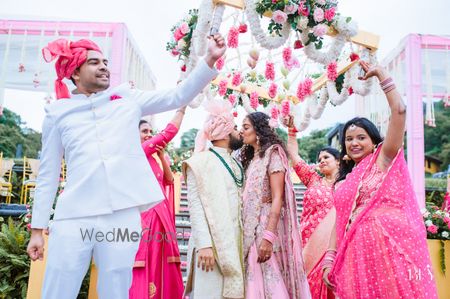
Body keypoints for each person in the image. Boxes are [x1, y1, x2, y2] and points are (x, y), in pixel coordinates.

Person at [26, 35, 225, 299]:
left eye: (105, 62)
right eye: (94, 62)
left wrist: (209, 59)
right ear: (74, 72)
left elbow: (177, 96)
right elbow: (48, 175)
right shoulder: (57, 113)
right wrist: (38, 230)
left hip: (120, 216)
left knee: (116, 290)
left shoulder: (127, 98)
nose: (104, 67)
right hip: (73, 216)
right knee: (58, 288)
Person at [323, 61, 438, 299]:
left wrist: (383, 77)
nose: (354, 143)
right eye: (349, 138)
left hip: (386, 248)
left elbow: (400, 111)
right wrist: (330, 257)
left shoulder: (382, 160)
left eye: (361, 137)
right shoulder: (346, 180)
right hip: (356, 252)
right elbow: (341, 219)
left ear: (373, 141)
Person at [240, 112, 311, 299]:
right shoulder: (251, 159)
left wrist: (268, 237)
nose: (241, 131)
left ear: (259, 130)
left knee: (269, 279)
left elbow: (278, 197)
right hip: (249, 226)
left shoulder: (273, 154)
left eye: (246, 127)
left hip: (265, 226)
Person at [182, 99, 245, 299]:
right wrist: (204, 245)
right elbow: (196, 207)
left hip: (234, 243)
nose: (239, 132)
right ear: (225, 132)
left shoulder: (235, 164)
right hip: (210, 250)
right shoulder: (199, 162)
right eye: (235, 128)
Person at [129, 108, 186, 299]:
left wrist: (161, 157)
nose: (149, 135)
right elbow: (168, 133)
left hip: (161, 217)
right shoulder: (136, 153)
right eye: (144, 131)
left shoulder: (152, 157)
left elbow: (169, 181)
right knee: (148, 262)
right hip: (147, 218)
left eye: (150, 132)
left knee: (162, 263)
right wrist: (182, 108)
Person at [284, 115, 338, 299]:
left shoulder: (347, 184)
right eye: (319, 158)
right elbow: (293, 154)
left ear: (338, 161)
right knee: (304, 285)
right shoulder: (312, 179)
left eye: (326, 157)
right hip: (306, 242)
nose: (321, 160)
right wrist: (292, 131)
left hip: (331, 247)